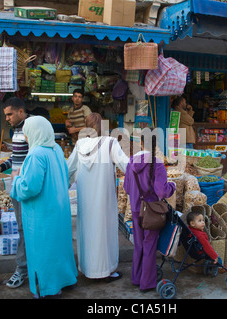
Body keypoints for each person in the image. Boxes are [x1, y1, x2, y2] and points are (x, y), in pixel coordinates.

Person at [10, 116, 77, 299]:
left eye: (26, 132)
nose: (25, 136)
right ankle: (66, 279)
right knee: (60, 247)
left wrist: (16, 178)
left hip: (41, 214)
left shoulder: (36, 154)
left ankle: (50, 288)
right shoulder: (55, 150)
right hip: (58, 209)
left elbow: (29, 187)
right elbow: (65, 176)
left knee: (43, 250)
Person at [67, 113, 129, 282]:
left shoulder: (80, 144)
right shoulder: (110, 143)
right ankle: (105, 271)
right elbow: (126, 165)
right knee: (104, 232)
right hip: (104, 200)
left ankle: (88, 269)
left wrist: (63, 185)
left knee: (88, 231)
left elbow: (69, 169)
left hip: (85, 201)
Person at [123, 132, 176, 292]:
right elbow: (162, 191)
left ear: (140, 143)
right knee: (150, 245)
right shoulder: (157, 164)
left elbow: (126, 188)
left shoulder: (130, 163)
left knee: (139, 244)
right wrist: (172, 186)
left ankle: (136, 278)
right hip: (152, 211)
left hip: (136, 209)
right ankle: (147, 283)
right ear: (156, 145)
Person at [0, 97, 29, 289]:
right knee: (23, 229)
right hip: (17, 186)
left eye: (9, 114)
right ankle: (26, 268)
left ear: (21, 112)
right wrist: (1, 167)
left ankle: (22, 270)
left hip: (26, 188)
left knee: (24, 229)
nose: (7, 118)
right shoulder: (17, 131)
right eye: (5, 115)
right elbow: (17, 157)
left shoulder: (30, 129)